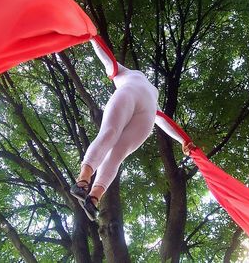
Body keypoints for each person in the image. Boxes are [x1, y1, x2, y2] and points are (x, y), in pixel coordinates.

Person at [70, 36, 195, 220]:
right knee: (109, 133)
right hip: (128, 93)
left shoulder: (154, 96)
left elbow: (163, 120)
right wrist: (93, 37)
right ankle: (83, 180)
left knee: (117, 155)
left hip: (148, 115)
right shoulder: (126, 72)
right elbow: (109, 61)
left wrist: (183, 140)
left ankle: (94, 198)